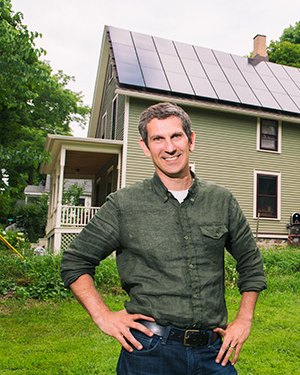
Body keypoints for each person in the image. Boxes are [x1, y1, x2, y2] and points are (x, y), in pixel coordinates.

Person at [60, 102, 267, 374]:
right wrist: (103, 316)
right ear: (145, 148)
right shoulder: (124, 205)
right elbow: (75, 262)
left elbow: (251, 263)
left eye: (176, 136)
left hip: (213, 354)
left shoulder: (222, 201)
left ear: (191, 140)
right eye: (158, 139)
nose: (169, 147)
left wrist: (244, 319)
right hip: (149, 353)